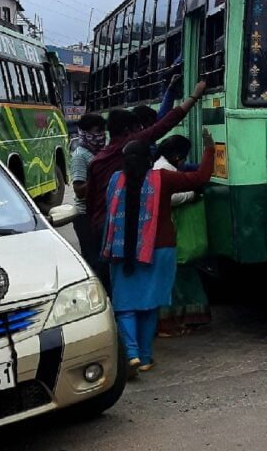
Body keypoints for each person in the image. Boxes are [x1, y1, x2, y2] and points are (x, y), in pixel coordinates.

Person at [103, 128, 215, 376]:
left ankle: (131, 353)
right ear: (148, 160)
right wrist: (210, 150)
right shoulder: (161, 178)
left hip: (122, 252)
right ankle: (144, 357)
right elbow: (200, 177)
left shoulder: (115, 180)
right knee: (150, 305)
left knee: (126, 306)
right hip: (160, 251)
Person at [87, 78, 207, 249]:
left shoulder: (97, 161)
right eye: (138, 129)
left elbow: (90, 201)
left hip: (102, 225)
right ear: (129, 130)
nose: (142, 132)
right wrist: (194, 96)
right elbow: (164, 123)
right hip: (124, 224)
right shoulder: (133, 148)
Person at [154, 134, 211, 337]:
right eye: (184, 158)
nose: (184, 162)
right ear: (177, 156)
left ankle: (179, 320)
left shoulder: (161, 166)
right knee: (181, 277)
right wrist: (192, 195)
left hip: (166, 237)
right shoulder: (163, 171)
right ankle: (186, 319)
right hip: (168, 236)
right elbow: (170, 198)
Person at [68, 112, 106, 271]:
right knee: (93, 261)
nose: (101, 135)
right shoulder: (80, 156)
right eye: (97, 131)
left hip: (99, 212)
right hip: (85, 216)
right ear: (85, 132)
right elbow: (79, 190)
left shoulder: (99, 152)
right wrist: (101, 177)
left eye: (102, 131)